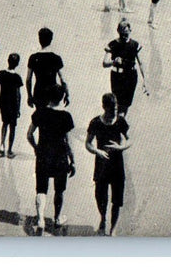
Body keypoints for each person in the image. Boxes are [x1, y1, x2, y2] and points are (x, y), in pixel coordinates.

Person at [27, 84, 75, 235]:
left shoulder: (39, 113)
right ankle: (57, 218)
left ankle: (40, 219)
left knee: (41, 189)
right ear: (61, 98)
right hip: (60, 157)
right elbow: (68, 143)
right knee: (59, 190)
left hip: (43, 155)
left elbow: (29, 135)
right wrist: (73, 161)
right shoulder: (66, 117)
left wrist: (36, 148)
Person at [85, 93, 131, 236]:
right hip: (101, 164)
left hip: (117, 164)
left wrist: (120, 147)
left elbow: (129, 140)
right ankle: (103, 218)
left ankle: (113, 228)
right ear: (104, 107)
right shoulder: (95, 123)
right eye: (112, 110)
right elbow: (88, 143)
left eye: (116, 109)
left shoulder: (121, 122)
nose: (114, 113)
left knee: (117, 199)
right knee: (100, 196)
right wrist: (97, 151)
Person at [102, 19, 149, 117]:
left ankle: (120, 124)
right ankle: (118, 124)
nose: (124, 36)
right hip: (117, 77)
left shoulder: (135, 45)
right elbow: (104, 63)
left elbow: (141, 63)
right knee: (117, 104)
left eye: (126, 34)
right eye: (122, 34)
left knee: (126, 105)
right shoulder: (113, 44)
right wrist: (113, 62)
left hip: (131, 76)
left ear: (130, 31)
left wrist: (145, 80)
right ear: (118, 32)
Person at [26, 27, 68, 109]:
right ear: (51, 40)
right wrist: (67, 94)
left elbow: (28, 80)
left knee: (39, 118)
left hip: (38, 92)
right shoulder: (56, 58)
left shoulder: (33, 58)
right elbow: (63, 79)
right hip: (53, 93)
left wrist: (29, 96)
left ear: (39, 40)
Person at [0, 53, 24, 157]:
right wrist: (18, 108)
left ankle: (2, 146)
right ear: (17, 64)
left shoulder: (1, 73)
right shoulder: (17, 77)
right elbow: (18, 95)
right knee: (12, 127)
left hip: (3, 102)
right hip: (13, 105)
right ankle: (10, 150)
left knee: (4, 124)